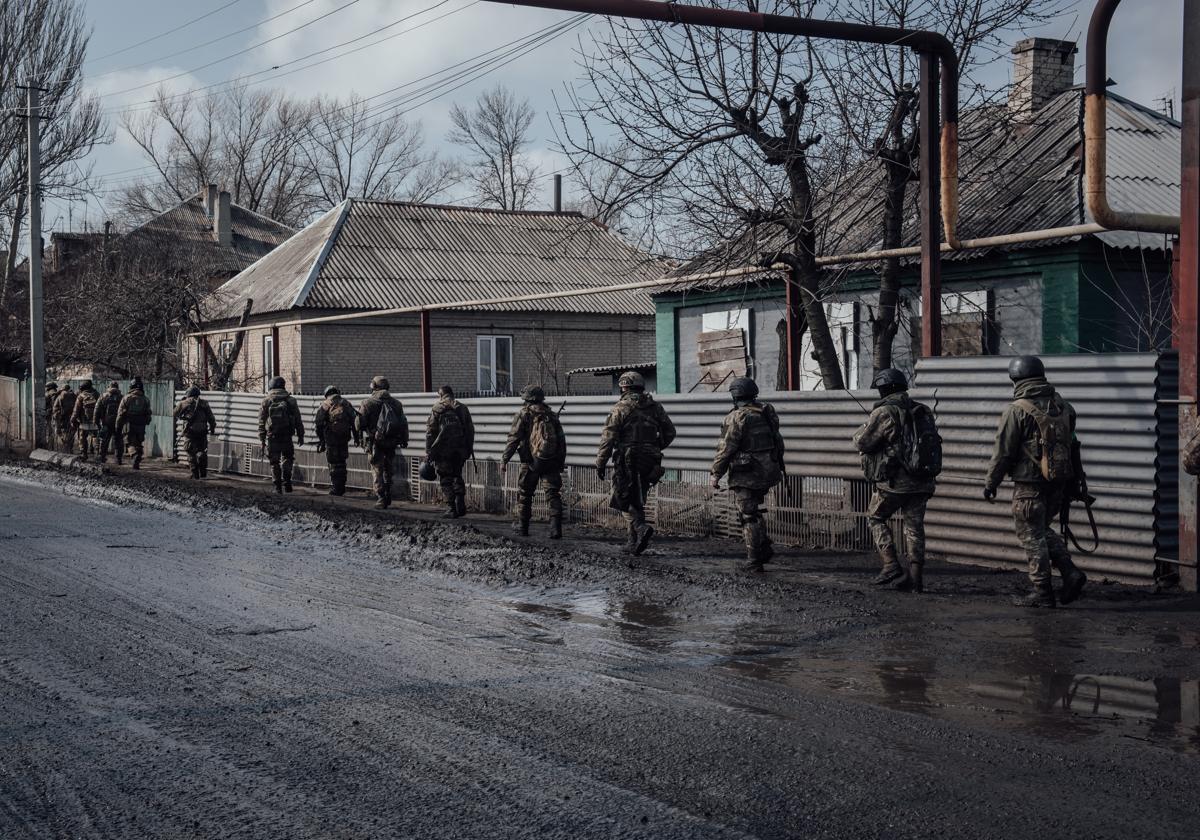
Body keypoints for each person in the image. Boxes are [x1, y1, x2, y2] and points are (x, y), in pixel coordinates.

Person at [983, 356, 1088, 608]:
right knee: (1041, 530)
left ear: (1016, 379)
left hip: (1028, 485)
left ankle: (1042, 590)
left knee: (1031, 535)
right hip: (1058, 482)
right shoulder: (1064, 407)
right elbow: (1073, 445)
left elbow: (1003, 452)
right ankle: (1070, 573)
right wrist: (1077, 482)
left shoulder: (1017, 410)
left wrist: (991, 482)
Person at [853, 368, 938, 593]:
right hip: (923, 479)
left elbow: (863, 443)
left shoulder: (885, 412)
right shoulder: (923, 410)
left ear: (885, 389)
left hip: (896, 482)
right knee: (915, 526)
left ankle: (890, 564)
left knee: (875, 517)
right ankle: (916, 578)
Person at [595, 371, 676, 555]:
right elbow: (670, 432)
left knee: (620, 497)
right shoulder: (655, 407)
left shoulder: (621, 408)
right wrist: (655, 447)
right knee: (637, 498)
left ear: (624, 386)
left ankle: (640, 528)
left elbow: (608, 438)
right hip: (650, 461)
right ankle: (633, 542)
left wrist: (600, 462)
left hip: (628, 459)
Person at [710, 377, 785, 572]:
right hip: (768, 470)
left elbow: (726, 448)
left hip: (747, 473)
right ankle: (764, 546)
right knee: (754, 510)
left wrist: (716, 473)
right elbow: (778, 441)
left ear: (735, 395)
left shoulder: (737, 417)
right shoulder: (767, 412)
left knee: (748, 515)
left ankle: (754, 560)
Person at [501, 385, 566, 538]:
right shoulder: (551, 415)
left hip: (529, 461)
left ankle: (523, 527)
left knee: (525, 494)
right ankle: (556, 529)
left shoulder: (524, 414)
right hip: (550, 462)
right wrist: (560, 462)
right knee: (553, 494)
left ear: (527, 398)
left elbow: (514, 438)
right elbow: (562, 442)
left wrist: (505, 459)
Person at [356, 376, 408, 509]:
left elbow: (359, 424)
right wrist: (404, 439)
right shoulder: (396, 403)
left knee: (377, 469)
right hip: (391, 441)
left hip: (374, 442)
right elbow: (403, 423)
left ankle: (381, 497)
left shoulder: (367, 403)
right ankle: (388, 492)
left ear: (374, 387)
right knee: (388, 468)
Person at [425, 385, 475, 518]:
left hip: (443, 450)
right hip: (460, 449)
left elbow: (430, 432)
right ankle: (460, 503)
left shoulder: (437, 408)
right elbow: (470, 430)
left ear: (441, 395)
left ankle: (451, 508)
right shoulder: (462, 408)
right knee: (457, 474)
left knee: (446, 478)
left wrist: (429, 450)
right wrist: (468, 448)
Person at [257, 376, 304, 493]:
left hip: (272, 436)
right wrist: (301, 435)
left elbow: (262, 421)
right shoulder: (291, 400)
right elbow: (298, 419)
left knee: (274, 462)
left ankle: (278, 486)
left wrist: (262, 438)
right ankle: (287, 482)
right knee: (287, 459)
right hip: (287, 435)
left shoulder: (266, 401)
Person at [314, 385, 359, 496]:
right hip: (344, 438)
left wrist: (321, 440)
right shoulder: (346, 403)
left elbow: (318, 424)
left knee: (333, 463)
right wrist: (357, 438)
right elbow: (355, 422)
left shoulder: (325, 405)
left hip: (331, 438)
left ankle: (336, 488)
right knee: (342, 463)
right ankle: (341, 487)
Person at [174, 386, 217, 479]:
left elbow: (174, 414)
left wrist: (182, 415)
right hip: (202, 432)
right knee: (202, 451)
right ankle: (203, 473)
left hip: (190, 432)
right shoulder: (204, 403)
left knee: (190, 452)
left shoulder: (184, 403)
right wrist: (212, 428)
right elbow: (211, 418)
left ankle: (194, 473)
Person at [116, 377, 153, 469]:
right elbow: (148, 413)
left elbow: (120, 413)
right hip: (141, 424)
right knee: (139, 443)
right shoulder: (145, 399)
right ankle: (138, 459)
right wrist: (147, 421)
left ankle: (134, 454)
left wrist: (118, 425)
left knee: (129, 443)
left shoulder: (126, 398)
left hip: (129, 424)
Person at [70, 381, 100, 461]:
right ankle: (97, 453)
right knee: (95, 436)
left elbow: (76, 410)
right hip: (95, 420)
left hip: (84, 421)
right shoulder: (97, 394)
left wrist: (72, 419)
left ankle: (84, 454)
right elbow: (101, 407)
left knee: (83, 438)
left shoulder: (81, 396)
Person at [95, 382, 123, 464]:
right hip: (118, 423)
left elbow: (97, 410)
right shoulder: (121, 397)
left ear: (109, 387)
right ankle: (118, 459)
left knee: (104, 440)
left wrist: (96, 421)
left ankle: (102, 457)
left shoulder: (103, 396)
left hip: (106, 422)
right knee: (118, 440)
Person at [52, 383, 77, 454]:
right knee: (71, 434)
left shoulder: (59, 397)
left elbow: (55, 409)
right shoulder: (74, 396)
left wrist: (56, 418)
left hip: (63, 418)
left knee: (63, 433)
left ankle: (64, 449)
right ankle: (70, 449)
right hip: (72, 418)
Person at [44, 382, 58, 449]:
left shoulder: (49, 394)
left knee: (49, 432)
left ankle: (50, 447)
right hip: (57, 415)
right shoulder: (57, 393)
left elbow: (45, 405)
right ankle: (54, 447)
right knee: (55, 432)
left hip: (50, 415)